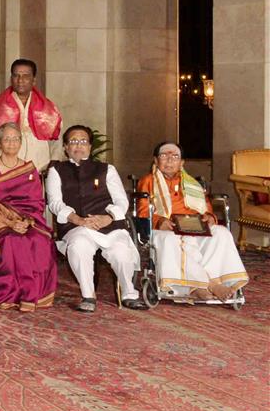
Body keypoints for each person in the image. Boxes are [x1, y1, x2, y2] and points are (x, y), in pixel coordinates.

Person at [45, 125, 146, 312]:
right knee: (79, 246)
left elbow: (121, 201)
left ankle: (129, 293)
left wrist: (108, 218)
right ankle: (88, 296)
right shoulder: (56, 170)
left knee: (120, 251)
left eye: (83, 141)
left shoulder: (106, 169)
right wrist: (77, 219)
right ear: (65, 147)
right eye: (73, 141)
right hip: (77, 226)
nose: (78, 145)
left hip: (109, 225)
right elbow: (54, 203)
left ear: (90, 147)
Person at [135, 142, 249, 302]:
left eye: (174, 156)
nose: (169, 160)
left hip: (194, 226)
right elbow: (142, 210)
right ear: (155, 160)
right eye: (164, 156)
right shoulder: (147, 181)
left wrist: (209, 218)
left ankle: (216, 281)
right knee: (172, 239)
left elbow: (207, 209)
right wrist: (159, 221)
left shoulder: (192, 184)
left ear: (182, 163)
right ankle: (202, 286)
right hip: (165, 228)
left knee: (221, 233)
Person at [0, 122, 57, 310]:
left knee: (40, 241)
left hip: (27, 220)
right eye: (7, 139)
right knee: (13, 241)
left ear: (21, 142)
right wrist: (10, 223)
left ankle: (35, 295)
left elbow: (37, 204)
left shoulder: (29, 170)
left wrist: (26, 221)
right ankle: (10, 294)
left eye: (16, 139)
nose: (12, 143)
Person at [0, 58, 63, 172]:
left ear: (33, 80)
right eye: (16, 75)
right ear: (11, 79)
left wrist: (50, 169)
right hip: (6, 172)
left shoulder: (48, 108)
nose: (20, 80)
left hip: (39, 170)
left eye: (26, 76)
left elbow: (57, 144)